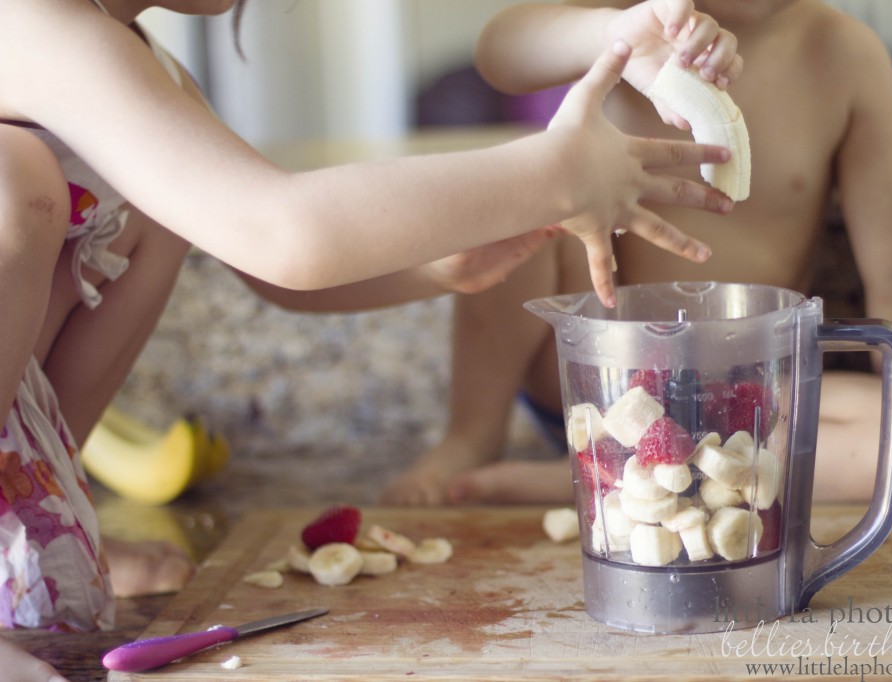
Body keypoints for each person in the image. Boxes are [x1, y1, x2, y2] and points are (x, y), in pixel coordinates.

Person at [0, 0, 739, 678]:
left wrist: (439, 267)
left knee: (161, 204)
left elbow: (274, 272)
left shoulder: (143, 66)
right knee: (13, 182)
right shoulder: (32, 21)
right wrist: (551, 170)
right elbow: (282, 231)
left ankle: (31, 520)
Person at [382, 0, 892, 508]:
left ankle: (577, 482)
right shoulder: (631, 17)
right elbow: (501, 50)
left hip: (750, 405)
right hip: (595, 393)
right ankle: (471, 437)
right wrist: (617, 32)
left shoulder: (843, 53)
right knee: (523, 200)